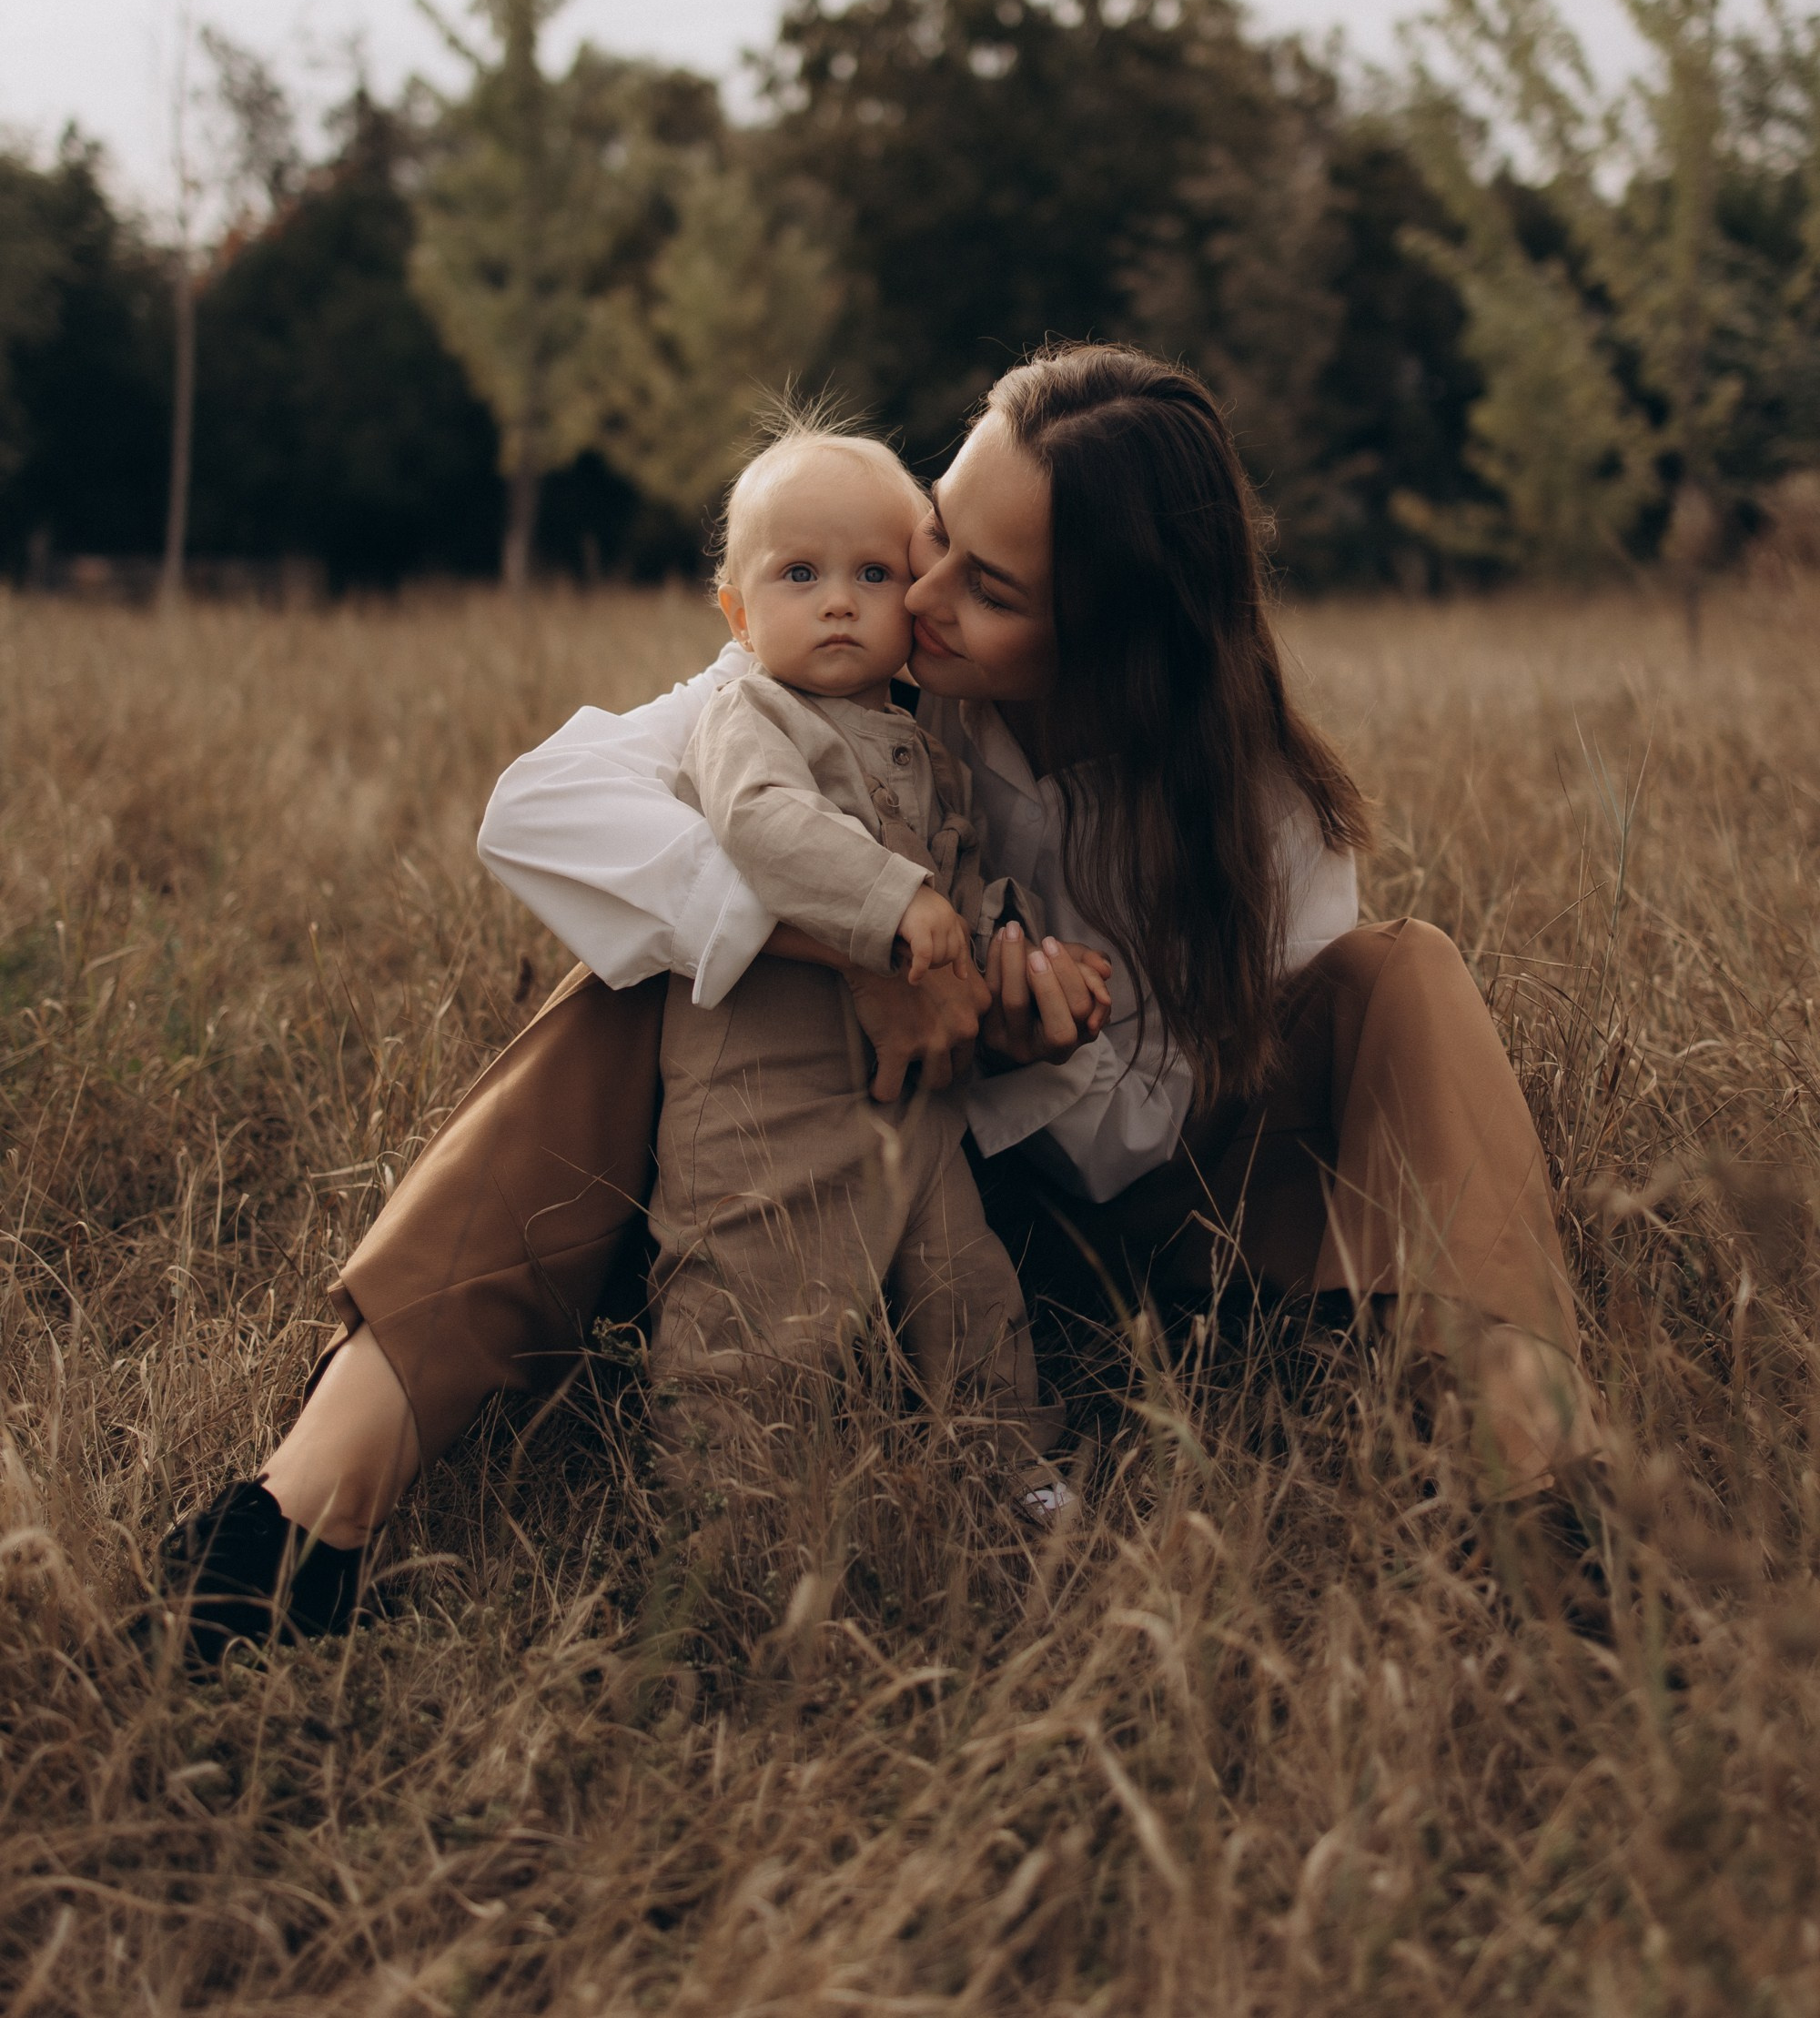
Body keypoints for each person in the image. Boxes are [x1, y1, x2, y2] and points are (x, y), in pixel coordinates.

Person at [160, 343, 1600, 1657]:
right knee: (634, 981)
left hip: (1142, 1265)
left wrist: (1012, 1038)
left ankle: (1537, 1493)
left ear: (1113, 638)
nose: (912, 600)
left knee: (1406, 973)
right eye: (938, 543)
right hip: (834, 1173)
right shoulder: (867, 682)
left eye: (985, 586)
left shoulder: (1269, 815)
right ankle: (304, 1512)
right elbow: (540, 808)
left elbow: (1142, 1145)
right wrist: (859, 946)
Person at [645, 416, 1083, 1497]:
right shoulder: (749, 711)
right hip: (766, 1092)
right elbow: (760, 823)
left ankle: (1012, 1461)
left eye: (874, 573)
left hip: (911, 1107)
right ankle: (725, 1493)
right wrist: (892, 901)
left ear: (916, 596)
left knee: (968, 1286)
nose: (838, 599)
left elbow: (966, 879)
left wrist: (1014, 944)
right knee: (750, 1296)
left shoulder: (925, 740)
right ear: (737, 613)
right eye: (799, 574)